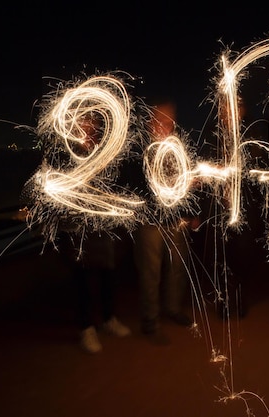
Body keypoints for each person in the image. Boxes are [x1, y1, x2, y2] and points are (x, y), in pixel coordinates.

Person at [59, 112, 130, 354]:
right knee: (83, 280)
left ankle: (109, 318)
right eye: (83, 121)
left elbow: (114, 184)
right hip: (78, 229)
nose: (88, 126)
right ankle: (86, 328)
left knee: (108, 275)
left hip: (103, 226)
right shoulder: (67, 153)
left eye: (92, 122)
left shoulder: (103, 151)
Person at [131, 98, 195, 346]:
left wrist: (188, 186)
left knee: (178, 267)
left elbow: (185, 179)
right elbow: (137, 187)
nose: (164, 124)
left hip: (175, 219)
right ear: (150, 121)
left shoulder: (177, 147)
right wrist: (167, 188)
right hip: (150, 222)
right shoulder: (140, 149)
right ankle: (150, 322)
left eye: (169, 120)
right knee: (151, 273)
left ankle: (173, 309)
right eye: (159, 119)